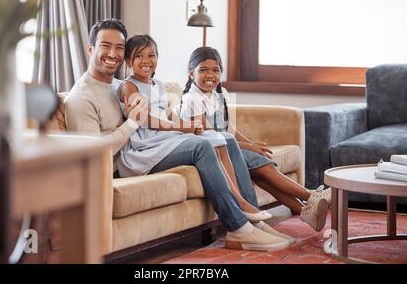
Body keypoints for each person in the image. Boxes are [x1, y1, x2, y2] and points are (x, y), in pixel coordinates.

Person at [64, 18, 294, 251]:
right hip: (127, 163)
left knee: (225, 138)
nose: (113, 53)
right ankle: (239, 228)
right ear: (91, 48)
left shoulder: (118, 84)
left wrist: (180, 119)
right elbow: (94, 155)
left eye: (119, 47)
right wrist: (133, 123)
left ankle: (254, 220)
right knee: (201, 146)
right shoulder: (81, 98)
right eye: (106, 45)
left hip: (153, 145)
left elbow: (156, 109)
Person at [117, 34, 271, 222]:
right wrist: (182, 128)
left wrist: (190, 126)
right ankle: (239, 203)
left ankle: (244, 202)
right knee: (205, 144)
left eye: (152, 55)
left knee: (221, 139)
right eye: (139, 56)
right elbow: (146, 119)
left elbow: (167, 115)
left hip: (165, 138)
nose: (146, 61)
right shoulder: (128, 86)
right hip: (145, 146)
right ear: (127, 60)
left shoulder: (157, 84)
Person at [178, 46, 331, 232]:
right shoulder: (191, 98)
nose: (210, 75)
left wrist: (250, 144)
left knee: (262, 174)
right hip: (214, 151)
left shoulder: (221, 93)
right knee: (264, 168)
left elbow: (229, 129)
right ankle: (311, 195)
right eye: (203, 70)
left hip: (228, 146)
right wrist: (248, 148)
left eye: (216, 70)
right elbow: (210, 135)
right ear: (191, 73)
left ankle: (305, 212)